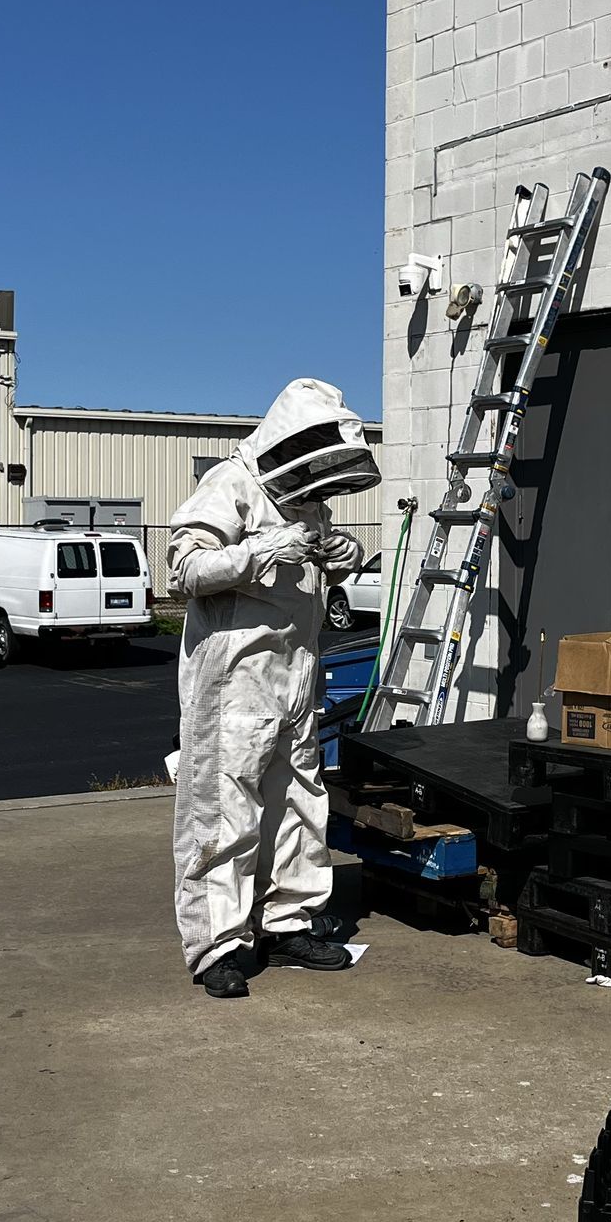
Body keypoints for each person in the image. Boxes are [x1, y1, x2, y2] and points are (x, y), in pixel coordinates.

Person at [166, 379, 381, 999]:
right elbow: (184, 568)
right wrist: (263, 548)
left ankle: (289, 923)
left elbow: (313, 571)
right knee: (224, 813)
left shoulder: (306, 501)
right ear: (288, 442)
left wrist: (342, 553)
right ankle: (219, 946)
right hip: (232, 683)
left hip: (295, 677)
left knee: (299, 805)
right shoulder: (230, 484)